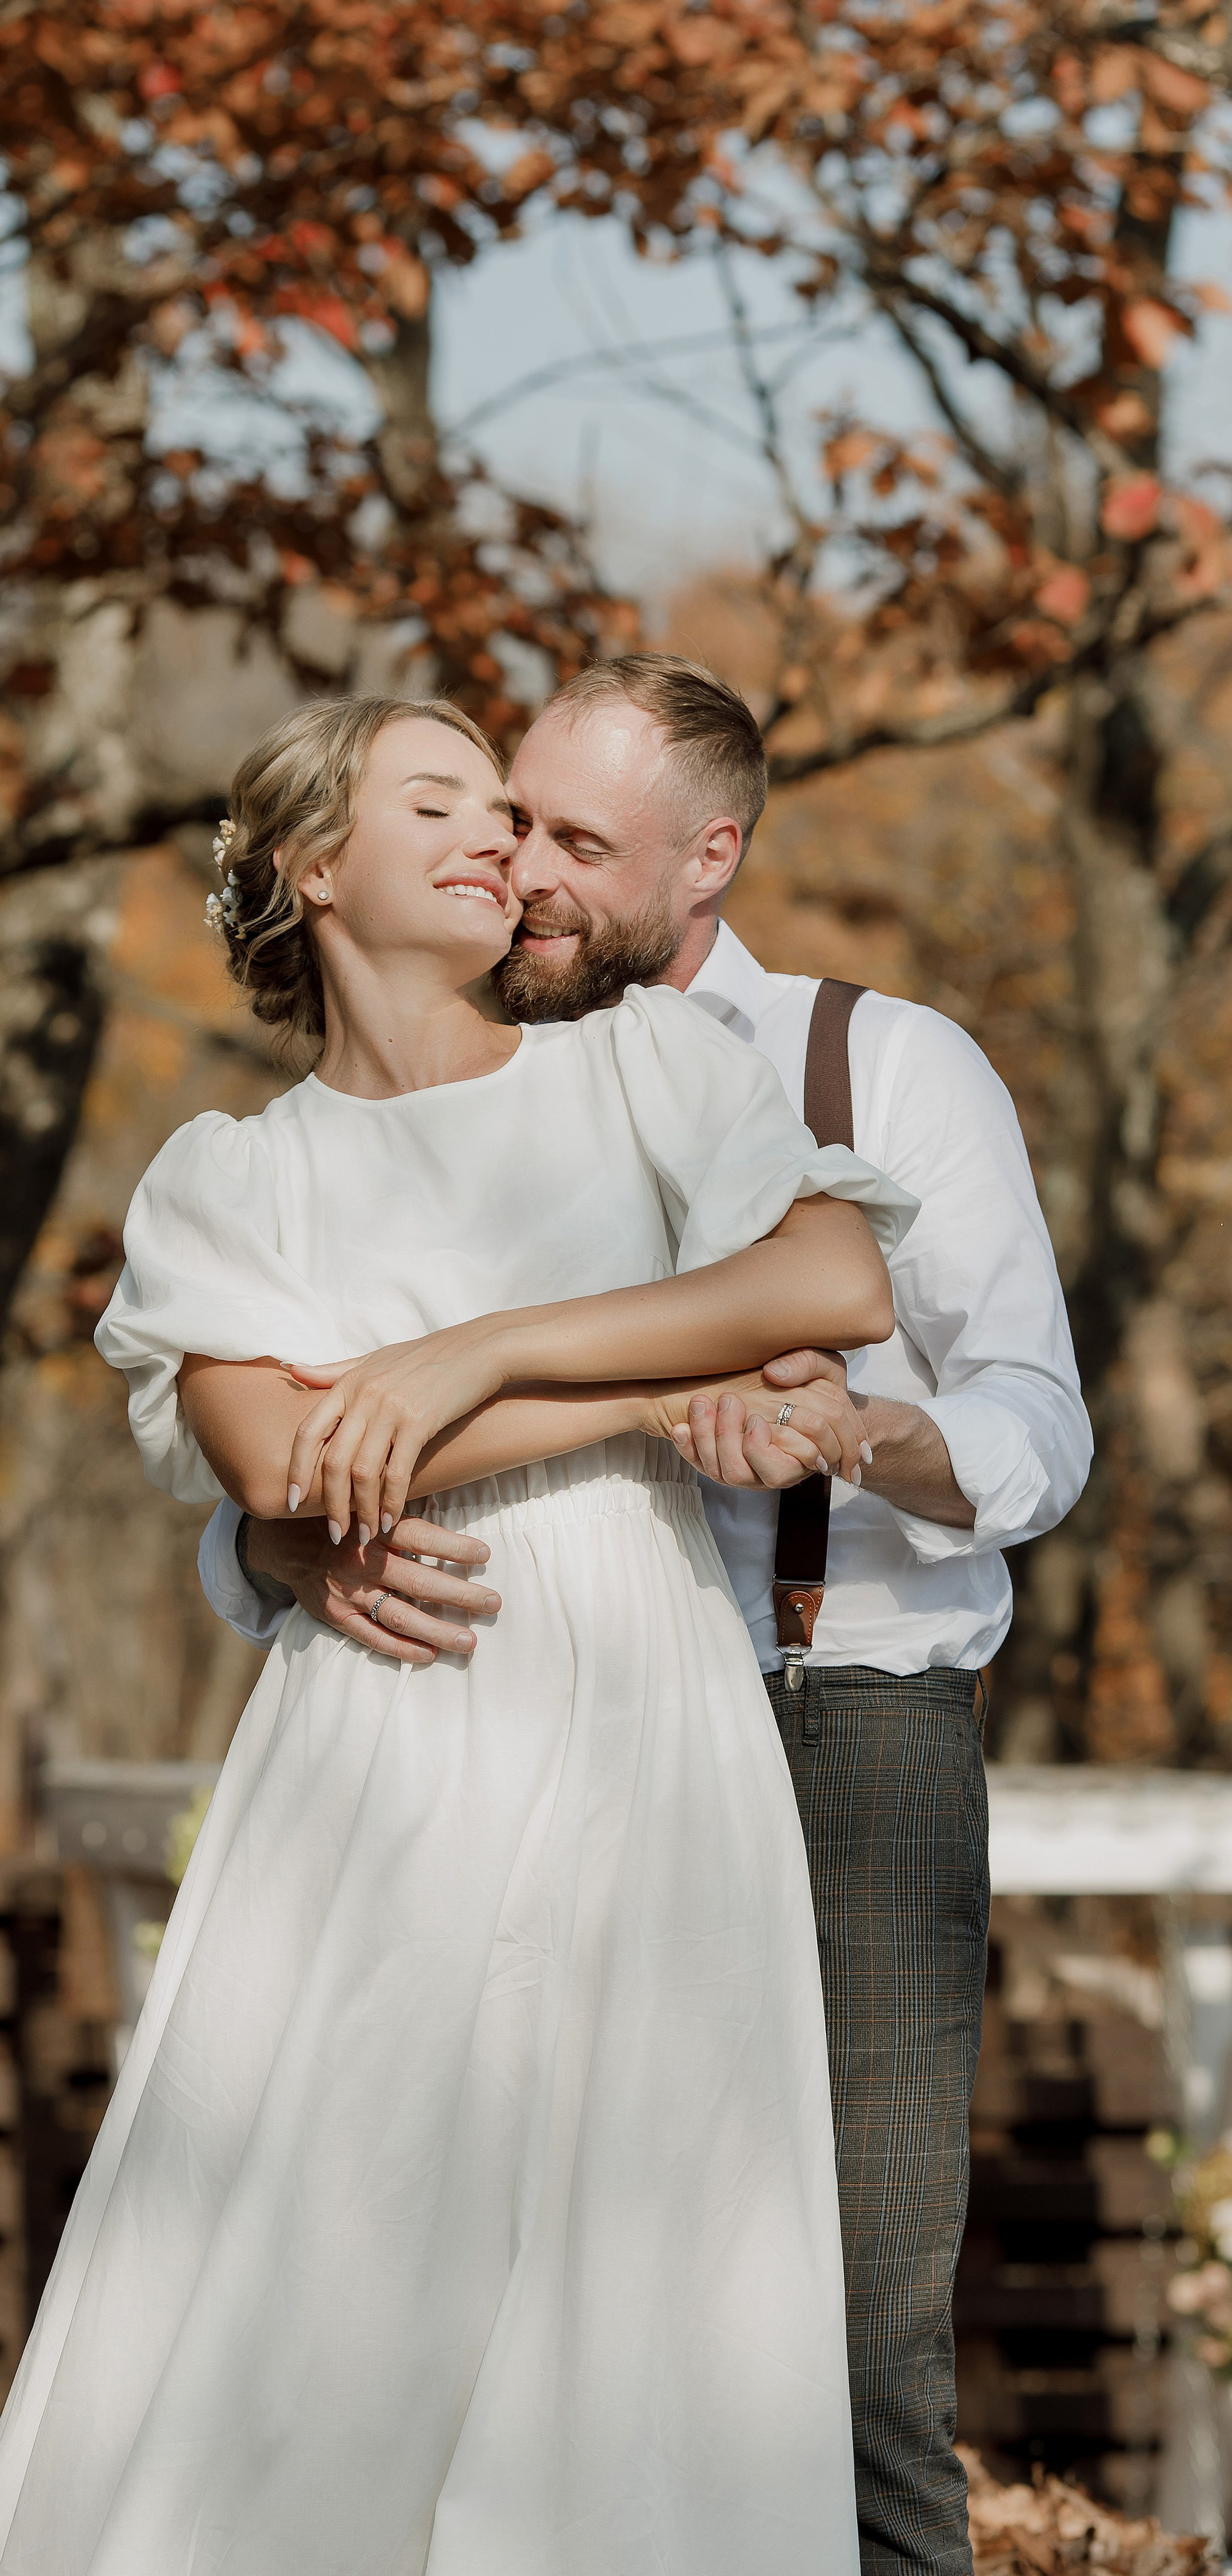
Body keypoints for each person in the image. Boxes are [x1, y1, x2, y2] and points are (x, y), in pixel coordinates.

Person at [0, 692, 921, 2575]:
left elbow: (828, 1280)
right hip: (387, 1724)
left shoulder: (647, 1069)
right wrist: (650, 1380)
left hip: (642, 1705)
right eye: (445, 803)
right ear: (315, 866)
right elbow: (282, 1462)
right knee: (336, 2208)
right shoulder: (229, 1179)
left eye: (512, 808)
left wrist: (465, 1357)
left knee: (645, 2229)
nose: (504, 838)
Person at [206, 656, 1093, 2576]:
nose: (525, 871)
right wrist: (283, 1545)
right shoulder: (446, 1071)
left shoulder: (877, 1069)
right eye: (510, 819)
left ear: (712, 859)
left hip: (836, 1711)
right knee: (515, 2314)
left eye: (578, 846)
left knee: (843, 2343)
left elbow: (1037, 1428)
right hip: (541, 1729)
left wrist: (860, 1435)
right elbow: (288, 1422)